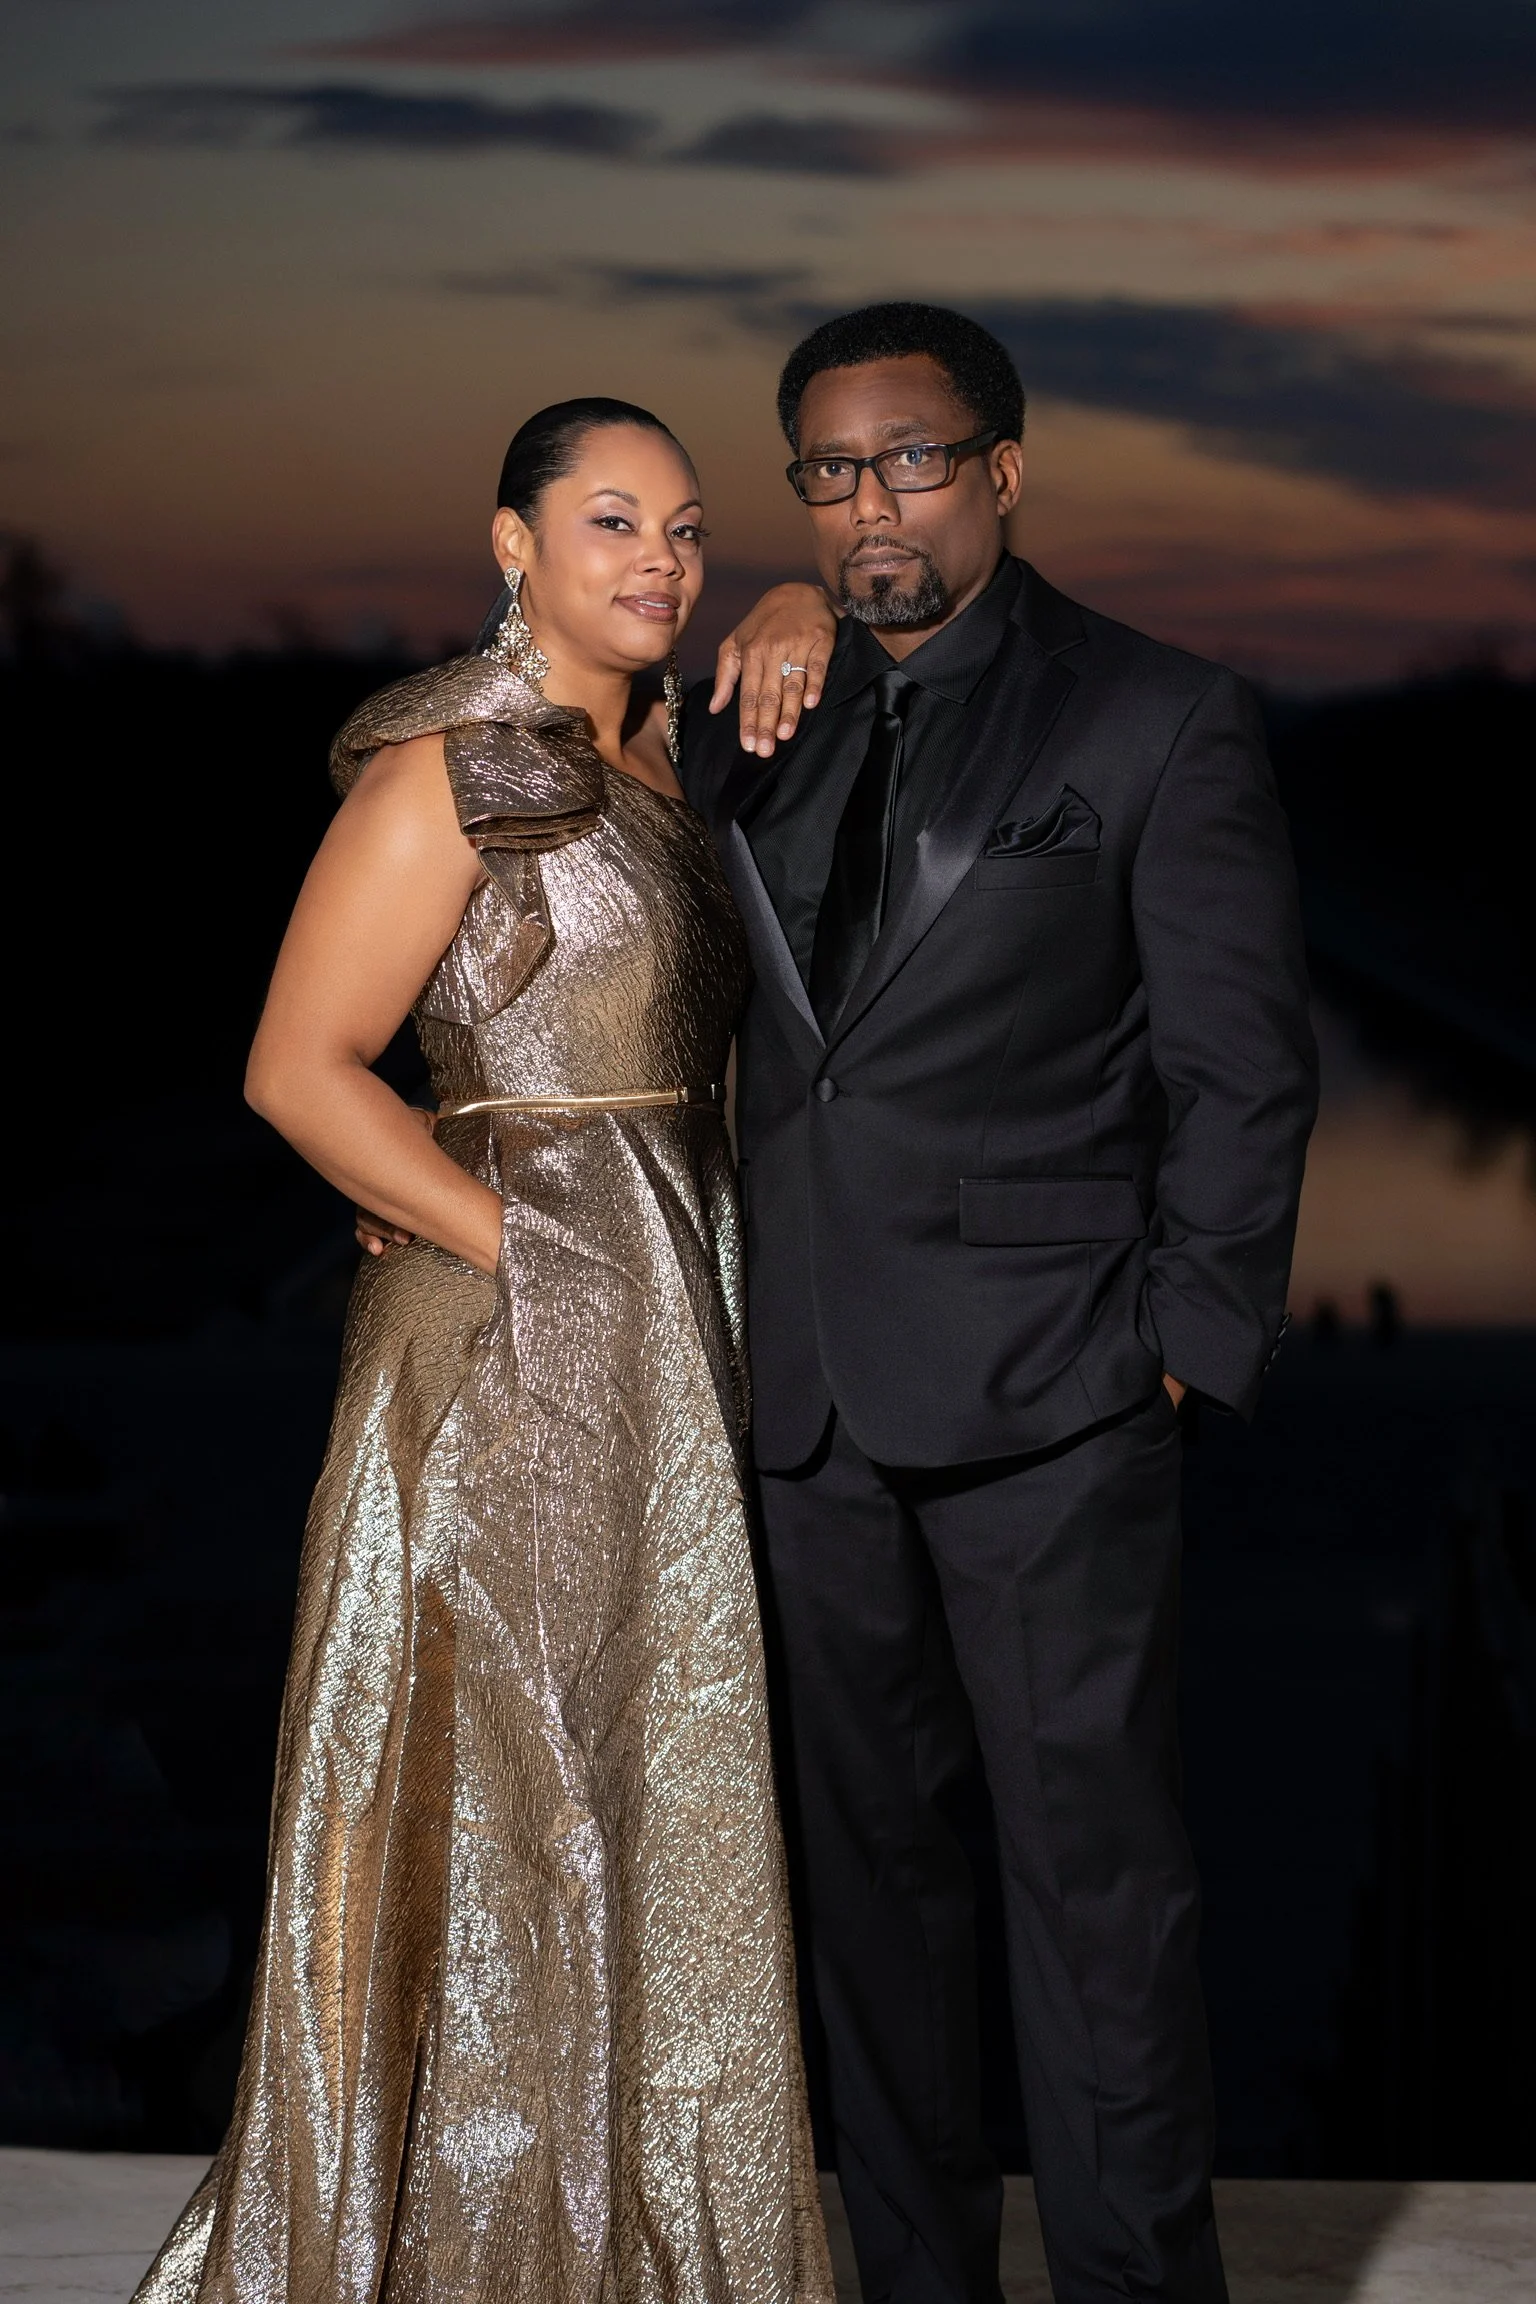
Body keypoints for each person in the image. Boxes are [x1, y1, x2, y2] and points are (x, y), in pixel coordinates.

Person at [133, 399, 835, 2304]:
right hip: (513, 1321)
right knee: (513, 1764)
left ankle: (631, 2226)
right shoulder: (457, 770)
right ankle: (476, 2242)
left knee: (642, 1755)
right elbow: (296, 1066)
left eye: (690, 530)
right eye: (613, 521)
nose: (661, 562)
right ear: (510, 540)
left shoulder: (666, 756)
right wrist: (522, 1245)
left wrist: (799, 598)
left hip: (673, 1297)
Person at [679, 306, 1319, 2304]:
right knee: (871, 1907)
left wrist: (1184, 1347)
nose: (877, 503)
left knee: (1094, 1898)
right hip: (804, 1405)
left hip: (1057, 1401)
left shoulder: (1152, 718)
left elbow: (1245, 1067)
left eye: (916, 461)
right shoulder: (742, 723)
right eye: (833, 471)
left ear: (1006, 469)